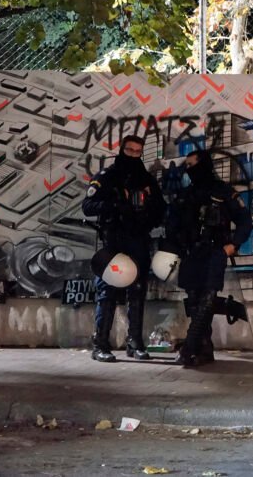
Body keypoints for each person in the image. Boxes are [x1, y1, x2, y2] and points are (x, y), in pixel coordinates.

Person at [82, 135, 165, 362]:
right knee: (107, 292)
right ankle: (100, 345)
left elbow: (161, 210)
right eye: (130, 151)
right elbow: (87, 206)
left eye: (138, 152)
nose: (134, 155)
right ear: (122, 150)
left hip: (138, 240)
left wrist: (147, 213)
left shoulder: (147, 180)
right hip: (113, 240)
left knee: (137, 292)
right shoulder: (108, 176)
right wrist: (116, 205)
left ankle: (135, 342)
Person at [166, 149, 252, 367]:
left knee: (207, 300)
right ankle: (205, 348)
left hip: (215, 251)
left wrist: (233, 245)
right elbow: (172, 226)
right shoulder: (186, 195)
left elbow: (244, 221)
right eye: (187, 166)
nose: (189, 169)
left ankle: (189, 349)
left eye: (193, 164)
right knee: (195, 303)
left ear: (204, 164)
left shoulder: (223, 192)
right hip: (191, 254)